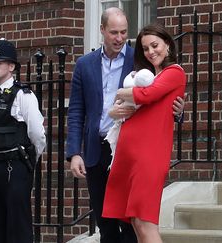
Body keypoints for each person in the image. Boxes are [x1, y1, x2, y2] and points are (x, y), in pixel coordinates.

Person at [66, 7, 184, 243]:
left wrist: (179, 112)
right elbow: (76, 111)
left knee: (133, 224)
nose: (119, 38)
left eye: (123, 32)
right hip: (97, 150)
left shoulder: (141, 60)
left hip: (132, 151)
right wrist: (74, 153)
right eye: (113, 32)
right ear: (102, 31)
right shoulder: (85, 64)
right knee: (106, 223)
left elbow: (158, 98)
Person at [102, 23, 186, 243]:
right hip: (130, 155)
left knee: (145, 221)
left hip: (149, 156)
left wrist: (121, 91)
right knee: (136, 222)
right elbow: (126, 106)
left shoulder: (174, 72)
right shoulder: (145, 75)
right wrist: (116, 106)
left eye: (155, 45)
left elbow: (147, 95)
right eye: (146, 48)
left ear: (167, 44)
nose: (151, 52)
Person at [0, 38, 46, 243]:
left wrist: (28, 159)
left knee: (17, 225)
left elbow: (37, 133)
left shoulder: (23, 95)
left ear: (11, 67)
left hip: (15, 164)